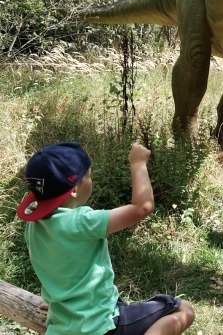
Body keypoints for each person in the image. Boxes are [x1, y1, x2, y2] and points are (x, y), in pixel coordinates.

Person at [17, 141, 194, 335]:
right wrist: (138, 163)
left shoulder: (33, 226)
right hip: (101, 325)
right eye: (89, 176)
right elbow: (142, 208)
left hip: (64, 324)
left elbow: (55, 270)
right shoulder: (81, 221)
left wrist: (57, 305)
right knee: (183, 309)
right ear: (75, 188)